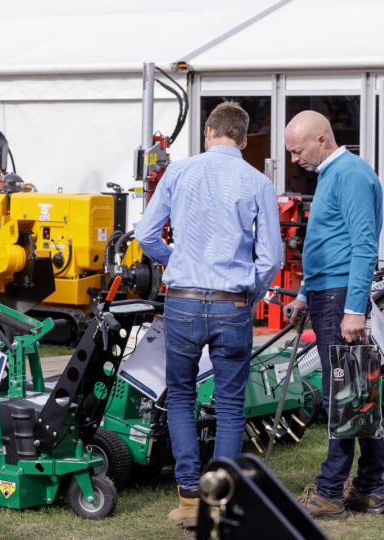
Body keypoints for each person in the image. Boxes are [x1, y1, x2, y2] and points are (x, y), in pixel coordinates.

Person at [136, 101, 282, 528]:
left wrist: (171, 261)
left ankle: (187, 500)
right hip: (231, 302)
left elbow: (145, 233)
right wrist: (248, 293)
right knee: (232, 405)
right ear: (244, 138)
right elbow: (270, 257)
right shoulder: (257, 181)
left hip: (182, 298)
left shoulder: (179, 172)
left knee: (180, 396)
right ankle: (217, 502)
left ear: (209, 132)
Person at [284, 110, 384, 519]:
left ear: (322, 139)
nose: (294, 160)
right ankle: (369, 488)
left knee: (341, 395)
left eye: (297, 151)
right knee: (355, 394)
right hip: (328, 293)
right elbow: (328, 242)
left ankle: (330, 491)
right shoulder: (332, 174)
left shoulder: (352, 174)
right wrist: (306, 294)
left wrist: (352, 309)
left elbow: (363, 244)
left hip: (342, 297)